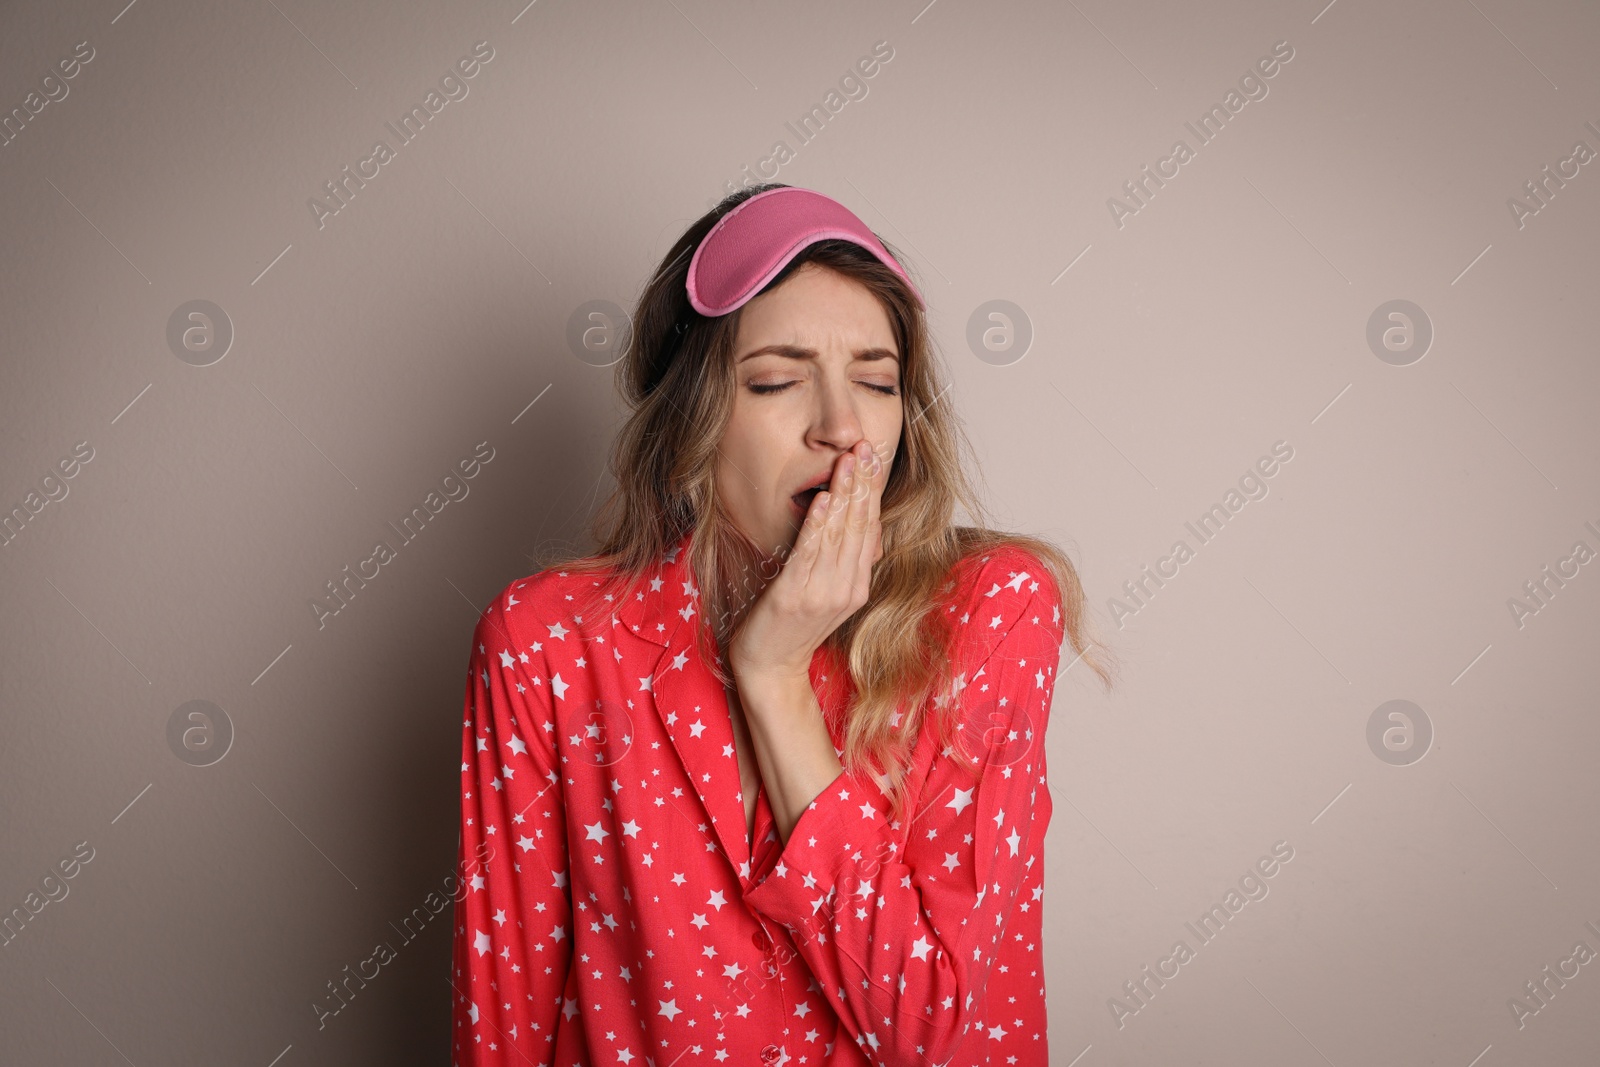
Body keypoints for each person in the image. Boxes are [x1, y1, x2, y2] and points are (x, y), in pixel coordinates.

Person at [449, 183, 1115, 1066]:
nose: (842, 427)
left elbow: (927, 1027)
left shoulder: (990, 610)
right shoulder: (546, 644)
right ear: (694, 419)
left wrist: (773, 676)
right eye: (775, 380)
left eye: (876, 382)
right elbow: (505, 1027)